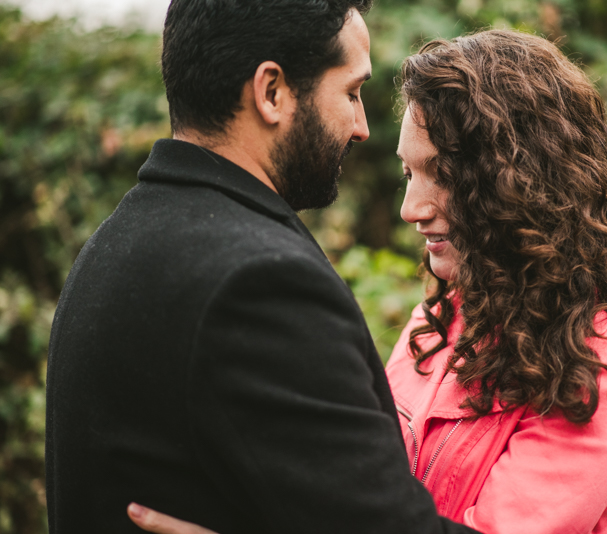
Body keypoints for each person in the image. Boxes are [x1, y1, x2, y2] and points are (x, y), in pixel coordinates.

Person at [126, 29, 607, 534]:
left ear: (524, 181)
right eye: (408, 172)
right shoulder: (444, 316)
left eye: (442, 175)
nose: (411, 207)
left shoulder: (605, 352)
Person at [45, 1, 480, 532]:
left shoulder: (116, 242)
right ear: (271, 92)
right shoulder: (259, 284)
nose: (362, 126)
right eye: (350, 92)